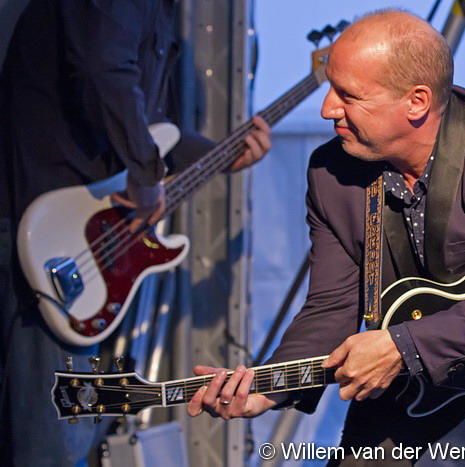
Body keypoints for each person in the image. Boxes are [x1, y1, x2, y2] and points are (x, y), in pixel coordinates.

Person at [187, 9, 465, 466]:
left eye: (348, 95)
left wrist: (401, 345)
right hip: (411, 366)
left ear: (417, 102)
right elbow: (331, 307)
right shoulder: (330, 171)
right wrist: (270, 389)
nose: (327, 109)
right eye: (330, 88)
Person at [0, 0, 270, 464]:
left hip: (72, 239)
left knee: (56, 433)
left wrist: (220, 155)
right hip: (43, 232)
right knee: (50, 444)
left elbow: (147, 127)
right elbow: (102, 69)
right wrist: (145, 175)